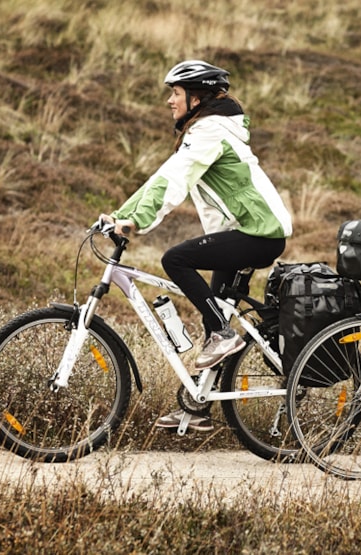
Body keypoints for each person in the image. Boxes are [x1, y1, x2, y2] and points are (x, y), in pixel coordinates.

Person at [100, 60, 293, 432]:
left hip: (259, 233)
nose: (169, 101)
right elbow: (163, 176)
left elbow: (176, 180)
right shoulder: (206, 129)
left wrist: (137, 223)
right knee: (216, 313)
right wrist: (121, 214)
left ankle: (223, 333)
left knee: (177, 258)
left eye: (175, 93)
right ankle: (198, 407)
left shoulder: (209, 131)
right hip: (250, 231)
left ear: (196, 97)